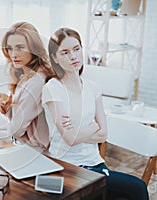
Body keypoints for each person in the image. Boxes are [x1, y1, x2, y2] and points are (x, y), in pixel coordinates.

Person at [42, 27, 148, 199]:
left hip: (95, 162)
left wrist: (79, 130)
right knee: (137, 188)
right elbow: (70, 138)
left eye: (76, 49)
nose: (73, 56)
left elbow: (103, 134)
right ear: (55, 58)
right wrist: (93, 125)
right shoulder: (53, 89)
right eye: (65, 52)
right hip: (68, 166)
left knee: (131, 191)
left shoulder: (93, 88)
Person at [0, 22, 55, 150]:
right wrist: (9, 107)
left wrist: (10, 123)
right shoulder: (26, 75)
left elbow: (16, 130)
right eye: (10, 48)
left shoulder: (37, 81)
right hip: (25, 146)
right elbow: (20, 121)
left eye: (20, 47)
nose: (13, 54)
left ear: (34, 48)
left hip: (38, 152)